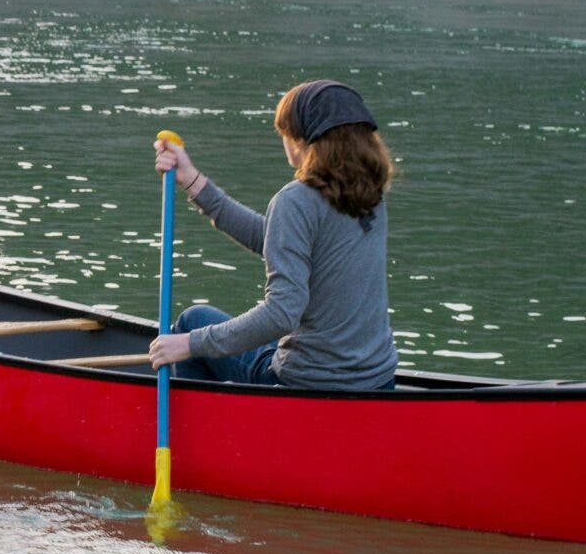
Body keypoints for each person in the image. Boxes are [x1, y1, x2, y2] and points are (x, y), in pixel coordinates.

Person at [145, 80, 397, 391]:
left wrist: (189, 344)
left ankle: (213, 434)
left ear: (300, 140)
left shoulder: (295, 200)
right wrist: (193, 182)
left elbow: (281, 314)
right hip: (377, 381)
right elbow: (275, 238)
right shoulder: (370, 195)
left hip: (307, 384)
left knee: (191, 321)